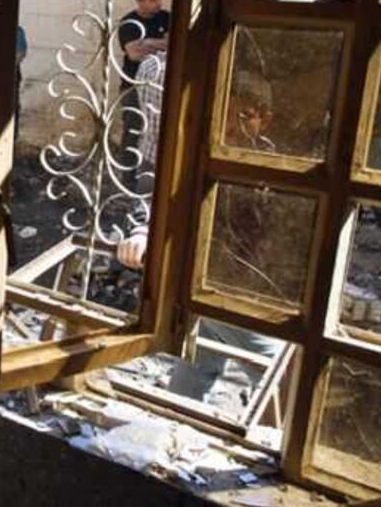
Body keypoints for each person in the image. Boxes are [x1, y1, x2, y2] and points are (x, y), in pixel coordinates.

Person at [115, 70, 282, 402]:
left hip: (254, 287)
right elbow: (157, 193)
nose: (232, 126)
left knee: (203, 362)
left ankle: (182, 417)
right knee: (272, 367)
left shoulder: (274, 162)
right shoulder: (199, 153)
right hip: (207, 280)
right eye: (225, 114)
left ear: (265, 119)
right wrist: (142, 230)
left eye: (245, 116)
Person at [118, 0, 170, 172]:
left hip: (159, 86)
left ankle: (150, 178)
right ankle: (127, 179)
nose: (158, 3)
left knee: (157, 133)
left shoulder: (166, 17)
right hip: (132, 85)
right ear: (140, 1)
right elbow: (133, 53)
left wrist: (147, 42)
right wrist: (159, 44)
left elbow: (173, 43)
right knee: (133, 131)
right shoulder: (129, 23)